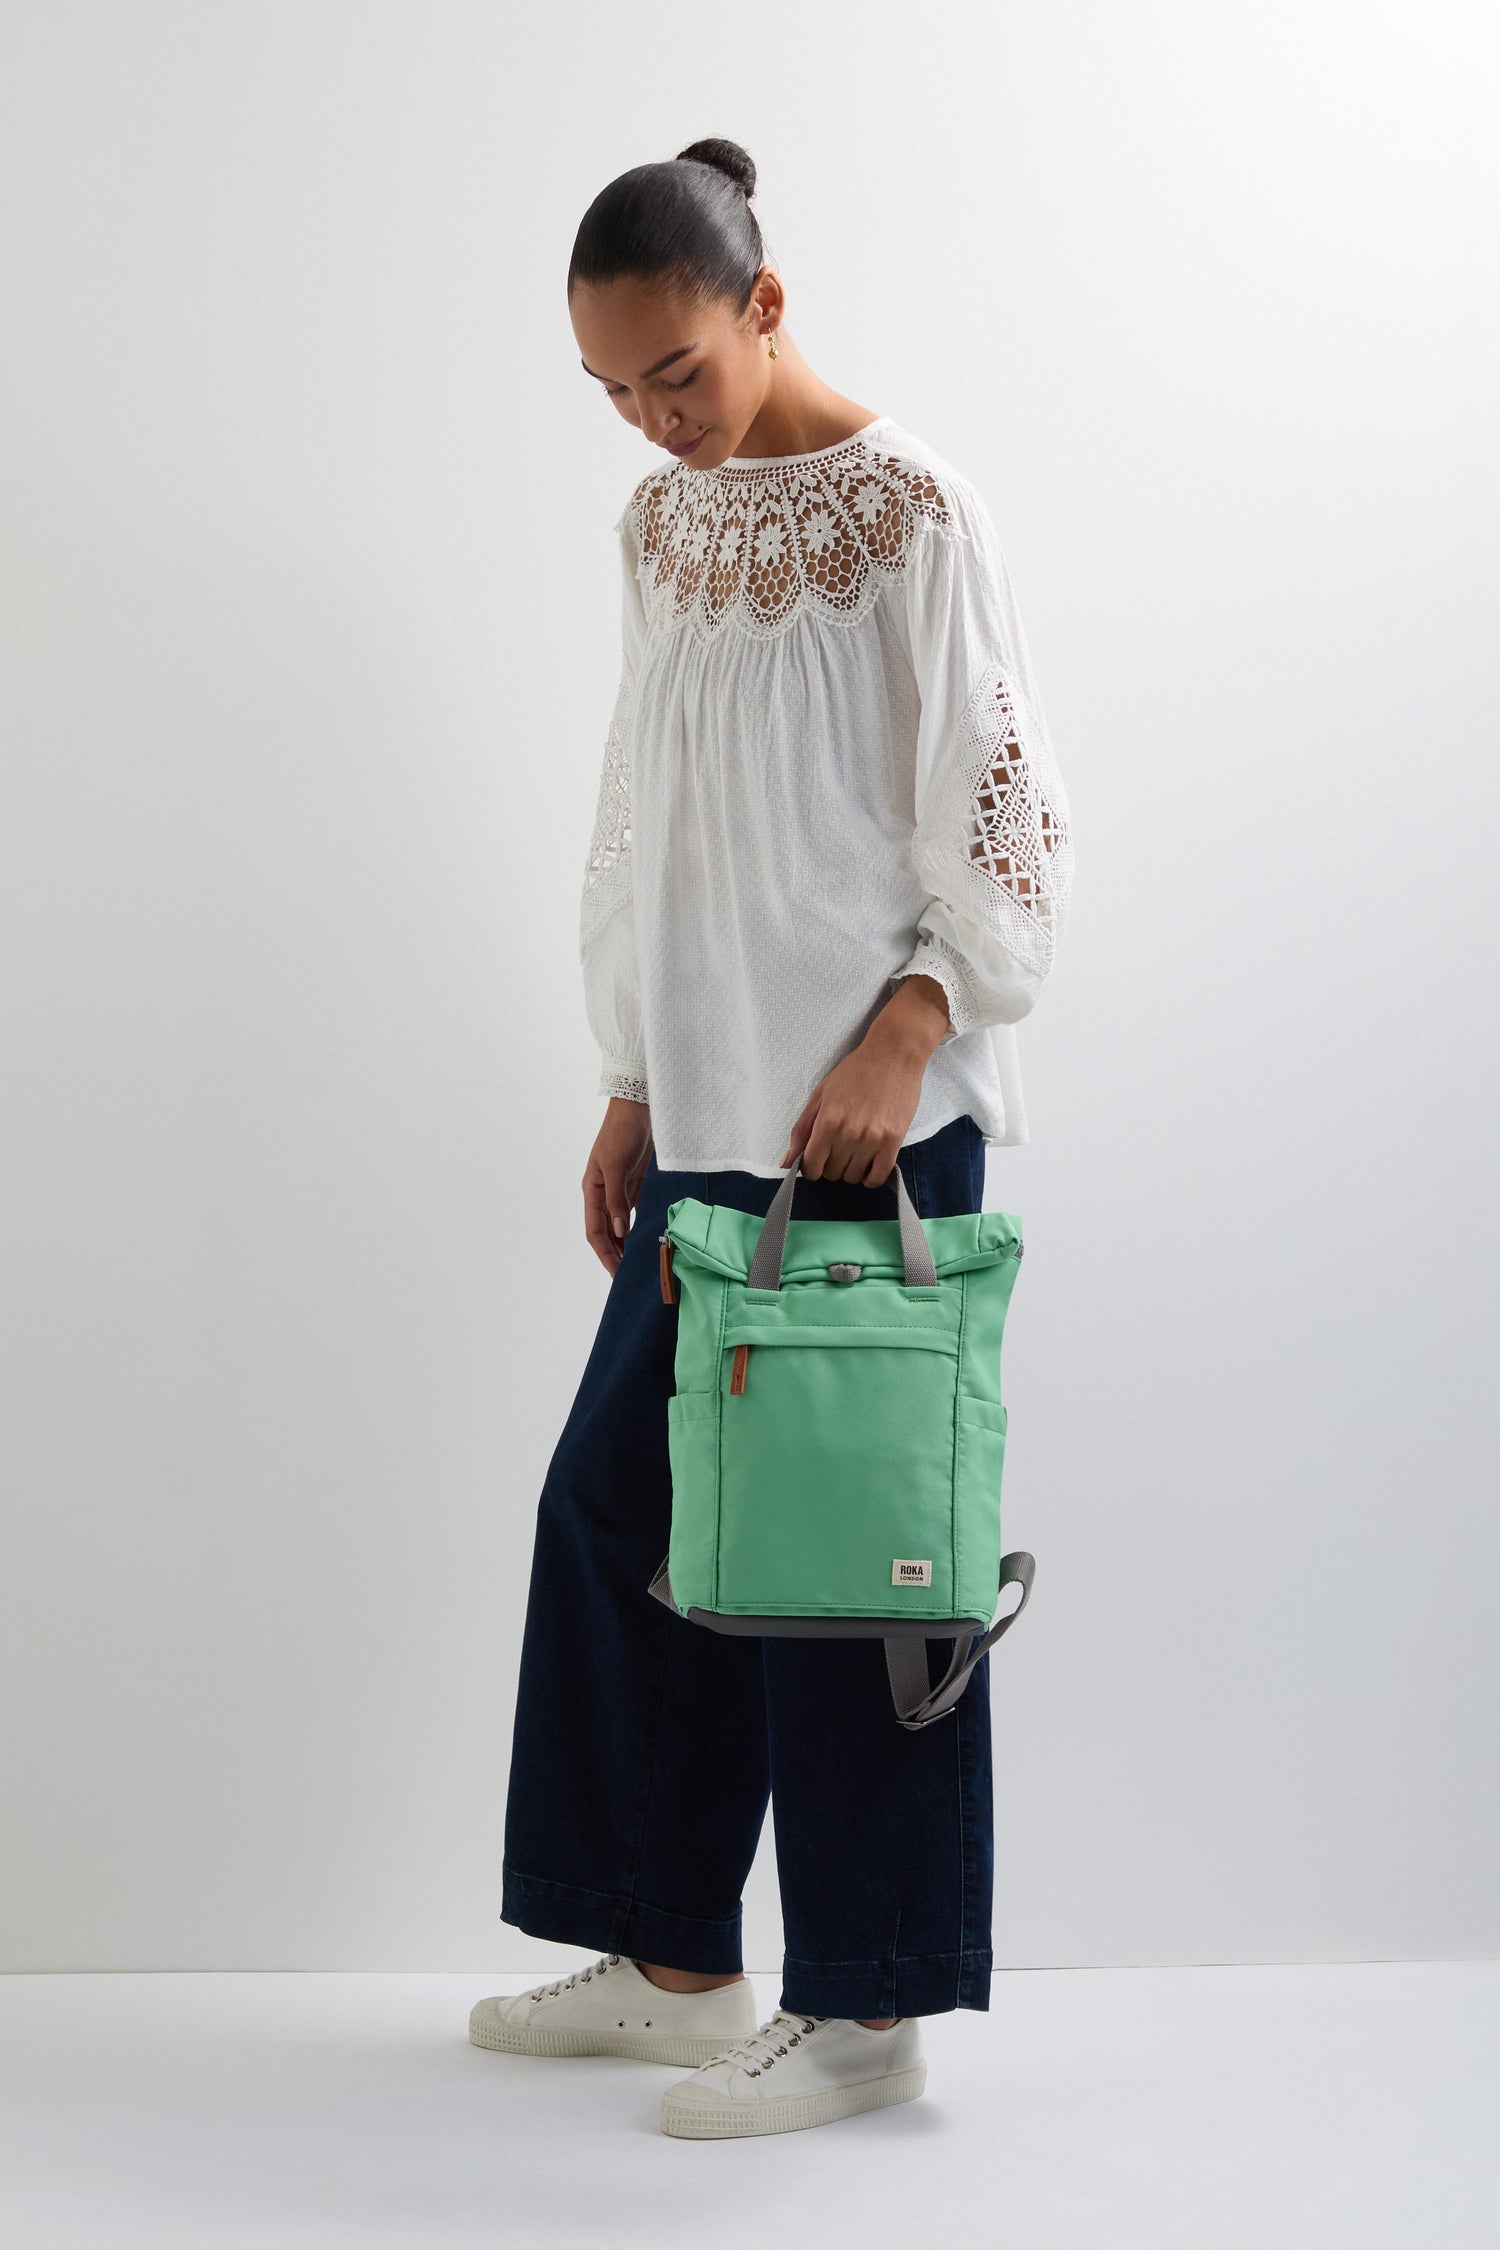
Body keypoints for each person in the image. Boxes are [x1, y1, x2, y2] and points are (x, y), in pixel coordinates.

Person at [469, 136, 1074, 2139]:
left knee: (842, 1565)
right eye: (616, 394)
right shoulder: (661, 531)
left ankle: (871, 2008)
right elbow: (642, 809)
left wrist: (914, 1027)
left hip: (860, 1141)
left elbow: (1004, 821)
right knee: (620, 1519)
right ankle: (668, 1956)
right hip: (712, 1116)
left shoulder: (913, 515)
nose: (652, 421)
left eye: (678, 376)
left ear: (764, 305)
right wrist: (634, 1073)